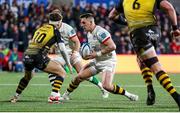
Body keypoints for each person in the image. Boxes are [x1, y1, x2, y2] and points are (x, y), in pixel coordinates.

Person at [108, 0, 180, 110]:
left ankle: (176, 97)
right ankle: (150, 89)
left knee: (155, 67)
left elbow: (112, 15)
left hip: (139, 33)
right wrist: (175, 28)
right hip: (155, 32)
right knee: (142, 60)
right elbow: (169, 8)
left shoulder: (124, 1)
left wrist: (127, 21)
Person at [61, 13, 139, 101]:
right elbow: (94, 49)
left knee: (107, 86)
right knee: (78, 77)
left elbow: (112, 46)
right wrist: (88, 56)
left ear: (91, 22)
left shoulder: (100, 32)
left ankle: (129, 95)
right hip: (96, 61)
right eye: (81, 23)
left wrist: (97, 54)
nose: (81, 25)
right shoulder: (89, 34)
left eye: (84, 23)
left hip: (108, 62)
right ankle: (65, 95)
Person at [10, 9, 73, 103]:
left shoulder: (40, 28)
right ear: (60, 22)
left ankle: (15, 96)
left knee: (28, 76)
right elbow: (63, 49)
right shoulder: (55, 31)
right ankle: (54, 96)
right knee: (61, 72)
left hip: (27, 54)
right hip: (38, 56)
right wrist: (68, 63)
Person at [48, 10, 109, 103]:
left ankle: (102, 88)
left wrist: (76, 52)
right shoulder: (50, 29)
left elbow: (77, 42)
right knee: (50, 69)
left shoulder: (67, 28)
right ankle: (56, 93)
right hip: (60, 55)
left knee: (83, 74)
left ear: (60, 19)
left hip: (71, 53)